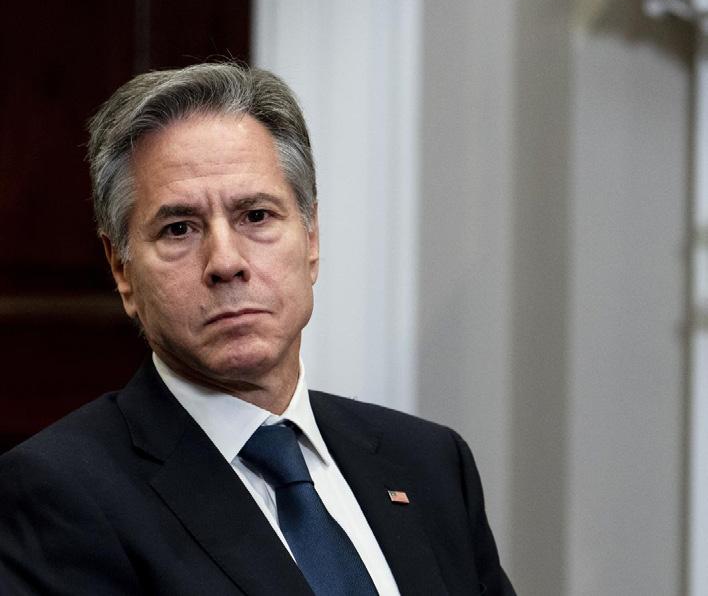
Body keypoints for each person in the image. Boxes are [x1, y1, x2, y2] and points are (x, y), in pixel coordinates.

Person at [0, 63, 515, 595]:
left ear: (311, 239)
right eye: (179, 229)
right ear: (122, 270)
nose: (225, 262)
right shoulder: (57, 493)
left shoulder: (430, 464)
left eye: (256, 216)